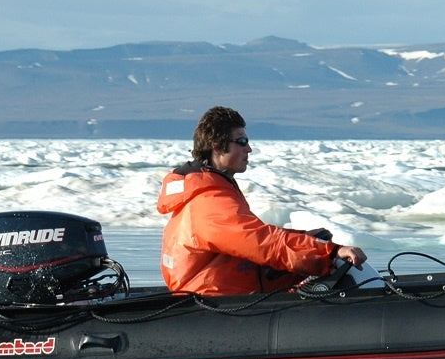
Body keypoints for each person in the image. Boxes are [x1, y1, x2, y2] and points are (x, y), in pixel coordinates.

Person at [157, 106, 367, 296]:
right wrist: (329, 252)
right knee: (323, 257)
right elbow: (260, 241)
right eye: (241, 142)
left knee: (318, 240)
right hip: (215, 296)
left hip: (227, 285)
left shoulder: (210, 189)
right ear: (217, 147)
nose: (249, 149)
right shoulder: (208, 201)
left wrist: (311, 241)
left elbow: (256, 237)